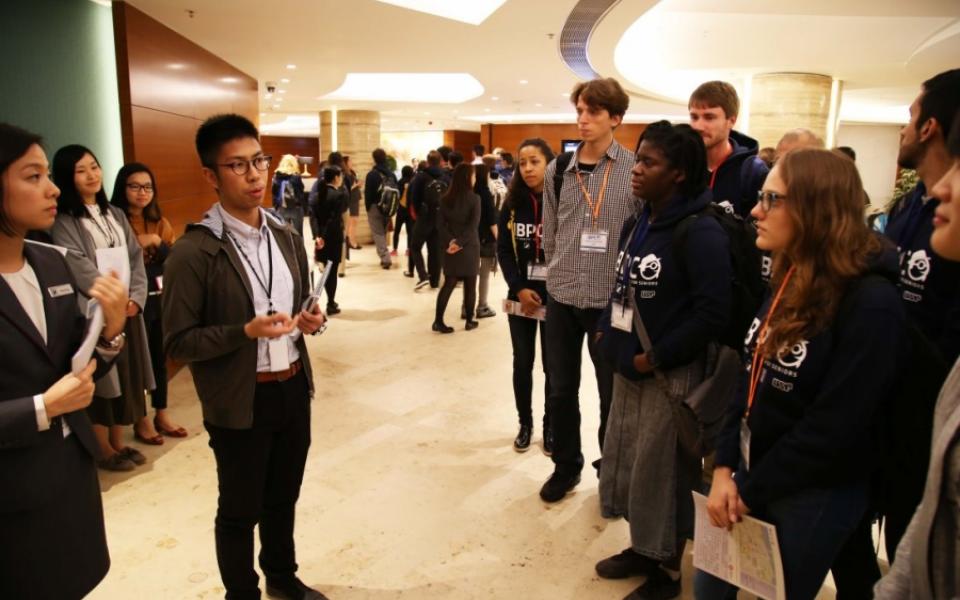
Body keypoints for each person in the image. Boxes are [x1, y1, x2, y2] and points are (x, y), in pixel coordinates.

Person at [695, 149, 907, 600]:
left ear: (816, 208)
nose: (756, 210)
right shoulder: (791, 275)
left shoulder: (872, 302)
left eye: (773, 199)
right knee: (710, 586)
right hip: (752, 472)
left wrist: (747, 489)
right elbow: (748, 379)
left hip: (813, 488)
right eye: (760, 197)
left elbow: (834, 428)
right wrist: (724, 467)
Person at [163, 114, 327, 600]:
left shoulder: (286, 236)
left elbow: (301, 309)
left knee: (284, 496)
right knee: (239, 509)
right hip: (240, 400)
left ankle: (281, 575)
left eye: (260, 161)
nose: (256, 175)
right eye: (238, 165)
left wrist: (311, 319)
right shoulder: (193, 252)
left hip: (293, 385)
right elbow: (176, 343)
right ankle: (243, 593)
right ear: (211, 176)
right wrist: (243, 332)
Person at [593, 121, 731, 600]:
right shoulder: (640, 219)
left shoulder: (701, 231)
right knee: (631, 465)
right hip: (628, 367)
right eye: (638, 157)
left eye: (649, 162)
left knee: (664, 474)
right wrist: (605, 332)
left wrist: (656, 357)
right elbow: (624, 284)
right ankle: (643, 546)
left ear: (678, 173)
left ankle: (667, 570)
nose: (636, 168)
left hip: (668, 375)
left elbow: (714, 312)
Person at [0, 122, 128, 600]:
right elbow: (49, 397)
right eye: (32, 177)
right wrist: (39, 408)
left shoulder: (50, 260)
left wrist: (111, 332)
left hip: (69, 474)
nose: (53, 188)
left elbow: (76, 366)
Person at [874, 107, 960, 600]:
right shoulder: (909, 208)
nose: (903, 129)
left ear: (931, 126)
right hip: (890, 411)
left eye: (910, 116)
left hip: (927, 415)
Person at [540, 77, 637, 502]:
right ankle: (566, 466)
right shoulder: (558, 169)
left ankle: (611, 475)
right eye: (579, 110)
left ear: (615, 117)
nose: (583, 119)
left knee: (611, 395)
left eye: (593, 112)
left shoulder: (635, 170)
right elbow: (550, 232)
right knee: (560, 388)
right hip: (561, 295)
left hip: (607, 304)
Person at [50, 144, 157, 469]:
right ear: (69, 177)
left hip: (127, 308)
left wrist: (135, 298)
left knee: (127, 374)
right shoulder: (64, 220)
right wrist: (111, 300)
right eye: (81, 170)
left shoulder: (115, 213)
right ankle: (102, 450)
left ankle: (116, 441)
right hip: (94, 311)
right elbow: (76, 263)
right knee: (102, 380)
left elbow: (135, 258)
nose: (92, 175)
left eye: (94, 167)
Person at [111, 162, 187, 439]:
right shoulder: (113, 220)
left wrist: (155, 240)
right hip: (128, 298)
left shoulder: (159, 221)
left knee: (159, 355)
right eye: (135, 186)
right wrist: (139, 244)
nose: (142, 192)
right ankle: (140, 419)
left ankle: (161, 413)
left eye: (147, 187)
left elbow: (173, 257)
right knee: (134, 360)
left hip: (158, 295)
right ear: (123, 188)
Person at [498, 138, 556, 452]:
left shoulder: (563, 200)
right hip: (519, 296)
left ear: (549, 163)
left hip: (554, 297)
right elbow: (503, 251)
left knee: (552, 366)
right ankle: (525, 422)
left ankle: (549, 425)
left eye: (535, 161)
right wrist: (519, 287)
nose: (528, 168)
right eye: (523, 163)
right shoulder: (512, 203)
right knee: (522, 362)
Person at [688, 80, 769, 217]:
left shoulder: (753, 172)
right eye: (694, 117)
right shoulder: (682, 165)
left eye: (709, 117)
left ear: (731, 121)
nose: (698, 126)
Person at [433, 163, 480, 333]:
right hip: (469, 248)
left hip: (449, 248)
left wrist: (451, 242)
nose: (474, 179)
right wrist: (460, 243)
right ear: (468, 178)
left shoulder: (445, 199)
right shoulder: (475, 199)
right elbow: (472, 227)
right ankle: (469, 320)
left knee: (449, 284)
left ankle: (438, 321)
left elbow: (440, 225)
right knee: (470, 285)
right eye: (473, 175)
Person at [311, 165, 349, 315]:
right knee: (331, 272)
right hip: (332, 238)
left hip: (320, 238)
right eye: (340, 176)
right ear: (335, 178)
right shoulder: (338, 195)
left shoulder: (316, 195)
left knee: (326, 269)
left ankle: (328, 301)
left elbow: (313, 218)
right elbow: (334, 220)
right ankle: (330, 303)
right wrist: (325, 237)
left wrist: (318, 236)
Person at [409, 150, 448, 290]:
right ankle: (435, 281)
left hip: (424, 217)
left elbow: (414, 198)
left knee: (415, 246)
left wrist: (419, 213)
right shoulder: (445, 177)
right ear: (441, 161)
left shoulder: (421, 177)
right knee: (434, 250)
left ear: (428, 161)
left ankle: (423, 276)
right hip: (439, 219)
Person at [363, 148, 395, 270]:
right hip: (388, 208)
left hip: (375, 207)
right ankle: (384, 256)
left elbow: (368, 193)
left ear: (374, 159)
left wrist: (368, 207)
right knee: (382, 232)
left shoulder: (372, 174)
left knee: (378, 233)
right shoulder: (391, 174)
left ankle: (385, 258)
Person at [474, 162, 498, 319]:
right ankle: (482, 306)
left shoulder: (469, 193)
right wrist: (499, 239)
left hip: (471, 238)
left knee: (470, 275)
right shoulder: (486, 194)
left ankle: (466, 307)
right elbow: (492, 221)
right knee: (484, 275)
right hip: (486, 240)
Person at [271, 154, 306, 236]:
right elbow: (301, 192)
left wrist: (276, 207)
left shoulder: (276, 176)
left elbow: (274, 192)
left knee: (283, 234)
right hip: (296, 208)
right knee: (298, 234)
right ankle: (298, 249)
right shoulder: (296, 177)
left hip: (282, 207)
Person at [394, 164, 415, 270]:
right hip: (410, 210)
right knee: (410, 231)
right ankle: (408, 249)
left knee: (397, 229)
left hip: (401, 209)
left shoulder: (400, 182)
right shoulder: (413, 182)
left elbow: (397, 195)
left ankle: (394, 249)